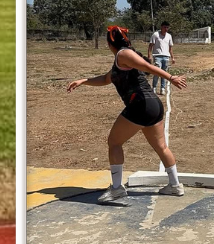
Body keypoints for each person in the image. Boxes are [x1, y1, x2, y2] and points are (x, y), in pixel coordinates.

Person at [68, 25, 187, 205]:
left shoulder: (123, 54)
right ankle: (175, 185)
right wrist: (83, 81)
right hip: (152, 106)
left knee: (114, 142)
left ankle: (116, 189)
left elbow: (147, 66)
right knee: (161, 147)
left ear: (110, 43)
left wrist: (171, 78)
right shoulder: (121, 59)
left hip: (140, 105)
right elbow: (106, 79)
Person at [146, 21, 175, 95]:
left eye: (167, 27)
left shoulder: (169, 36)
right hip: (157, 56)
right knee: (157, 72)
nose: (166, 29)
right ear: (161, 27)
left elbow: (170, 48)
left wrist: (172, 57)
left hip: (166, 56)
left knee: (164, 73)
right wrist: (149, 56)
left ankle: (162, 88)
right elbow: (150, 46)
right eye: (165, 27)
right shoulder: (156, 35)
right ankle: (154, 87)